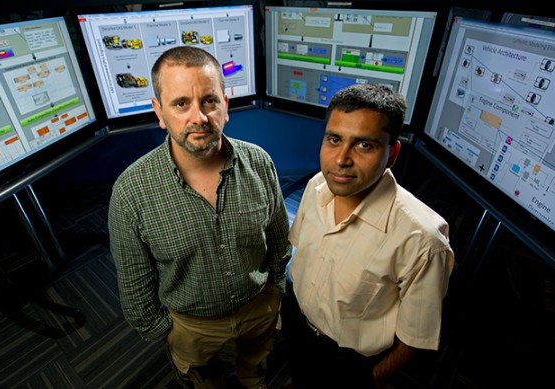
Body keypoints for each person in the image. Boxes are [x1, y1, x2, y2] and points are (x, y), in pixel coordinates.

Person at [108, 46, 291, 389]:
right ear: (159, 113)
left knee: (257, 365)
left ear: (225, 104)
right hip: (191, 325)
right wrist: (163, 332)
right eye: (181, 104)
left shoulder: (260, 162)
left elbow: (280, 238)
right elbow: (135, 284)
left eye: (209, 101)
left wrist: (275, 289)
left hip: (258, 305)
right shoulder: (131, 191)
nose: (199, 117)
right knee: (205, 380)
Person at [281, 83, 455, 388]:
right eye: (334, 139)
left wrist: (367, 381)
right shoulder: (316, 186)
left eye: (364, 145)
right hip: (297, 325)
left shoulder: (423, 240)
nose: (341, 159)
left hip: (347, 361)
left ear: (392, 154)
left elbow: (416, 336)